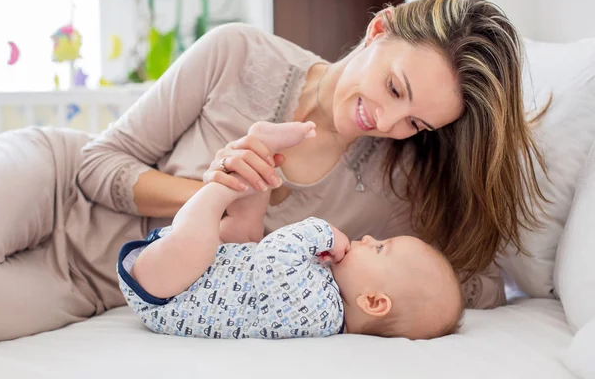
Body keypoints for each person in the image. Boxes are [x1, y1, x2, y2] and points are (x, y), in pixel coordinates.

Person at [0, 0, 546, 342]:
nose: (387, 121)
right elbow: (96, 165)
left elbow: (472, 285)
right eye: (396, 88)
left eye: (417, 123)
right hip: (53, 182)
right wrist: (218, 191)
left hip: (95, 286)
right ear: (380, 29)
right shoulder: (239, 53)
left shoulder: (394, 194)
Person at [118, 121, 464, 339]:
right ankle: (263, 154)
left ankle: (221, 187)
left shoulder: (320, 315)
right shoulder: (328, 292)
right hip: (207, 272)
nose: (369, 238)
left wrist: (323, 231)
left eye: (379, 249)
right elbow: (260, 254)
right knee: (246, 230)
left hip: (166, 291)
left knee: (198, 244)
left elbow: (272, 256)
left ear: (373, 302)